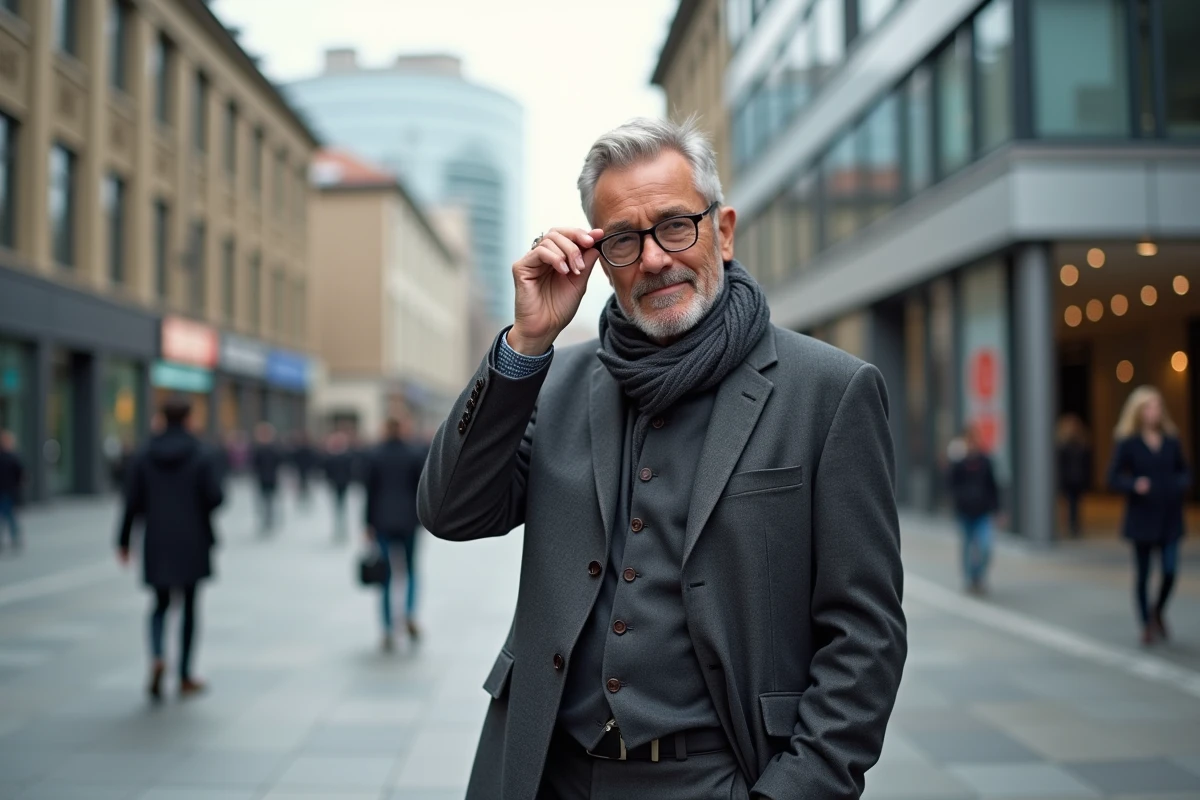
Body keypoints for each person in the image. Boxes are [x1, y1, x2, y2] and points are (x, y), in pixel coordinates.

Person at [418, 118, 905, 800]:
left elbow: (865, 636)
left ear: (723, 230)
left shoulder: (827, 391)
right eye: (622, 239)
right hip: (545, 773)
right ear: (598, 255)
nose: (652, 259)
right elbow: (451, 510)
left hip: (718, 776)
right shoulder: (555, 381)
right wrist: (526, 344)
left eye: (676, 225)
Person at [116, 398, 223, 700]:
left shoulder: (144, 453)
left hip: (157, 539)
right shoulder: (201, 453)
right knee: (190, 606)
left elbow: (131, 501)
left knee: (160, 604)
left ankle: (158, 655)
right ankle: (186, 674)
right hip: (193, 539)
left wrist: (123, 541)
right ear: (188, 419)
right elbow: (215, 497)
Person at [1107, 386, 1191, 646]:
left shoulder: (1171, 440)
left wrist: (1178, 485)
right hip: (1142, 516)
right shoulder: (1128, 442)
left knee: (1170, 570)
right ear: (1139, 411)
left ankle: (1157, 610)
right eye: (1149, 406)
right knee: (1143, 575)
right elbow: (1112, 478)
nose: (1154, 411)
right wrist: (1134, 485)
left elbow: (1185, 471)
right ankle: (1146, 624)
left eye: (1157, 406)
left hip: (1169, 515)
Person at [364, 416, 427, 650]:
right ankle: (409, 613)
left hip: (381, 521)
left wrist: (367, 524)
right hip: (409, 520)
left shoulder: (375, 454)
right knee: (410, 570)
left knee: (386, 576)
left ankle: (388, 627)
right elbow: (422, 489)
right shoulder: (414, 453)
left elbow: (369, 492)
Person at [948, 424, 1001, 595]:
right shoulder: (959, 464)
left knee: (985, 546)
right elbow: (951, 486)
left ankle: (978, 575)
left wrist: (997, 509)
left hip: (983, 511)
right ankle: (970, 577)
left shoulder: (986, 462)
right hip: (965, 512)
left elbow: (993, 486)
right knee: (968, 546)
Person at [1057, 415, 1092, 538]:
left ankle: (1074, 525)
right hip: (1067, 479)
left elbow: (1086, 465)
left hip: (1078, 479)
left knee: (1076, 504)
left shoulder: (1082, 446)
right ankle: (1069, 525)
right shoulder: (1062, 446)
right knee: (1069, 504)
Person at [251, 423, 283, 534]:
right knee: (263, 501)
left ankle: (269, 519)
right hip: (262, 479)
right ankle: (266, 520)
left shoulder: (274, 449)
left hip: (271, 478)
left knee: (270, 500)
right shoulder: (258, 449)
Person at [323, 430, 355, 541]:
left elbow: (351, 470)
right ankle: (338, 528)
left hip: (343, 483)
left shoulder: (347, 455)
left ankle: (342, 529)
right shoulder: (331, 456)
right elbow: (327, 470)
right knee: (337, 506)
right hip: (335, 483)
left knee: (342, 505)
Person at [0, 430, 24, 551]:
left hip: (9, 492)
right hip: (4, 491)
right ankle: (13, 538)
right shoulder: (10, 457)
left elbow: (20, 475)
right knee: (7, 517)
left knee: (9, 517)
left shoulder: (14, 458)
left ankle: (15, 538)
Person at [290, 430, 318, 507]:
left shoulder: (308, 450)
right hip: (301, 470)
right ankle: (302, 500)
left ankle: (306, 500)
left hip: (306, 471)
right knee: (302, 485)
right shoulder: (299, 449)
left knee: (306, 485)